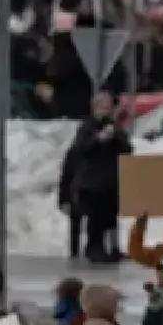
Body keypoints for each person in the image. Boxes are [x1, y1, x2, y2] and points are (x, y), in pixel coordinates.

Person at [69, 94, 131, 262]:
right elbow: (82, 148)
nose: (106, 111)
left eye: (108, 107)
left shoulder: (115, 127)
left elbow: (127, 149)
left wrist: (116, 135)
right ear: (94, 108)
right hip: (92, 183)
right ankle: (94, 248)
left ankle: (113, 247)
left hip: (111, 182)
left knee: (110, 217)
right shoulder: (86, 127)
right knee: (95, 219)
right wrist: (98, 138)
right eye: (102, 107)